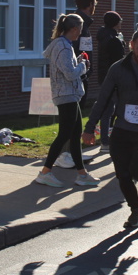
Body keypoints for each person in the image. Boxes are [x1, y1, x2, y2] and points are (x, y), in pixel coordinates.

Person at [82, 27, 138, 229]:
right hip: (122, 128)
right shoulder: (118, 68)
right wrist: (89, 128)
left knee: (137, 169)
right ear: (131, 45)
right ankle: (135, 211)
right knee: (123, 174)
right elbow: (103, 99)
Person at [35, 14, 99, 188]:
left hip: (68, 94)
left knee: (74, 134)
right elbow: (70, 74)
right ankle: (45, 172)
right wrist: (83, 65)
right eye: (80, 29)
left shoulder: (63, 45)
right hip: (66, 95)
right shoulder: (63, 46)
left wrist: (77, 61)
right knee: (65, 134)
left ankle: (82, 174)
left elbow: (66, 68)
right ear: (74, 29)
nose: (81, 33)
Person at [56, 0, 99, 169]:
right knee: (69, 119)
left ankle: (74, 153)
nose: (96, 4)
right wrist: (82, 70)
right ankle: (64, 155)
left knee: (76, 119)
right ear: (90, 3)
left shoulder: (83, 24)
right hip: (74, 78)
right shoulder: (77, 24)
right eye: (95, 1)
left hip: (80, 76)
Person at [90, 11, 126, 153]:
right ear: (116, 23)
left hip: (103, 77)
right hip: (115, 79)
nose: (121, 23)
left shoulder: (103, 37)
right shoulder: (114, 40)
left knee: (107, 111)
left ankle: (105, 141)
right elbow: (120, 61)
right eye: (120, 20)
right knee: (120, 110)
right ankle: (113, 140)